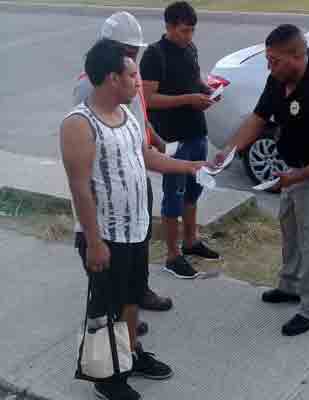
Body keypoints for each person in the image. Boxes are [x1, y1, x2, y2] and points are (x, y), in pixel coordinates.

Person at [61, 39, 211, 399]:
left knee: (130, 300)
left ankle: (130, 355)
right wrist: (95, 243)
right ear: (112, 78)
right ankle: (106, 378)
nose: (137, 82)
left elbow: (146, 157)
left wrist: (190, 166)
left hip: (135, 230)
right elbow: (81, 190)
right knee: (106, 308)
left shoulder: (127, 115)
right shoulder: (79, 125)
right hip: (105, 236)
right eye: (132, 76)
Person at [213, 24, 309, 336]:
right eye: (268, 59)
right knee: (290, 233)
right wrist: (228, 152)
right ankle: (290, 287)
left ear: (297, 56)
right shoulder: (277, 81)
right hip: (291, 173)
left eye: (274, 60)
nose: (269, 66)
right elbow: (257, 119)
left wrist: (297, 176)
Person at [72, 12, 173, 341]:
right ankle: (104, 319)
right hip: (110, 184)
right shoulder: (89, 84)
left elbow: (135, 111)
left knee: (138, 242)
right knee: (110, 262)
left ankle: (135, 294)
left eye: (135, 51)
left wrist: (152, 133)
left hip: (135, 170)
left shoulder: (129, 73)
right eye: (127, 51)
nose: (133, 57)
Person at [140, 1, 221, 279]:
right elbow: (147, 100)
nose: (189, 37)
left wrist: (207, 90)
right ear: (169, 26)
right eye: (184, 31)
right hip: (172, 139)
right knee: (172, 197)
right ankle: (172, 255)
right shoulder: (154, 55)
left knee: (193, 191)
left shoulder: (190, 49)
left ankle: (190, 242)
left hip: (196, 130)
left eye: (192, 31)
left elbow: (193, 79)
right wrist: (189, 99)